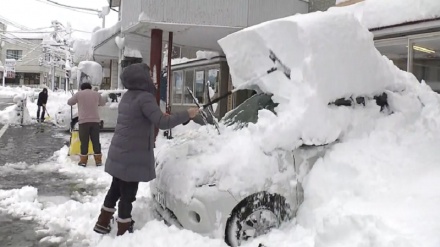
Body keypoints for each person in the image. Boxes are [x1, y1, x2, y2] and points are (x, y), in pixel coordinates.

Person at [93, 63, 199, 236]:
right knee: (128, 194)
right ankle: (124, 229)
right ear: (142, 78)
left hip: (120, 152)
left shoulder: (128, 96)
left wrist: (159, 115)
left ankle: (102, 222)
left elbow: (141, 118)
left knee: (115, 190)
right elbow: (163, 123)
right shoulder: (145, 97)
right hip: (132, 156)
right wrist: (187, 114)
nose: (151, 79)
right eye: (148, 75)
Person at [67, 82, 106, 167]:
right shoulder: (96, 94)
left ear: (82, 88)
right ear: (90, 87)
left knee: (84, 142)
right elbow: (103, 103)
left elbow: (69, 102)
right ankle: (98, 161)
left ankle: (83, 161)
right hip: (95, 121)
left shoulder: (79, 94)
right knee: (96, 141)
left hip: (83, 122)